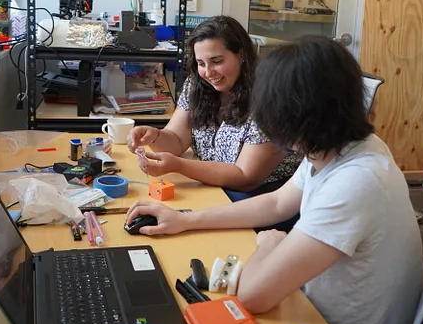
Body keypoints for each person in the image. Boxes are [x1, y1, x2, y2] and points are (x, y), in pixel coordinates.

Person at [126, 36, 423, 324]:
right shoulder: (342, 146)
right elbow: (278, 202)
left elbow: (253, 296)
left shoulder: (356, 182)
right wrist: (186, 220)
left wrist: (270, 245)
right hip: (312, 311)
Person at [127, 15, 301, 201]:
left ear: (241, 55)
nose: (208, 72)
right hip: (214, 186)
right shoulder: (196, 85)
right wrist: (154, 135)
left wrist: (179, 165)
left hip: (265, 196)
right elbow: (176, 140)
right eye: (201, 63)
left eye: (217, 61)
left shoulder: (268, 99)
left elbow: (246, 177)